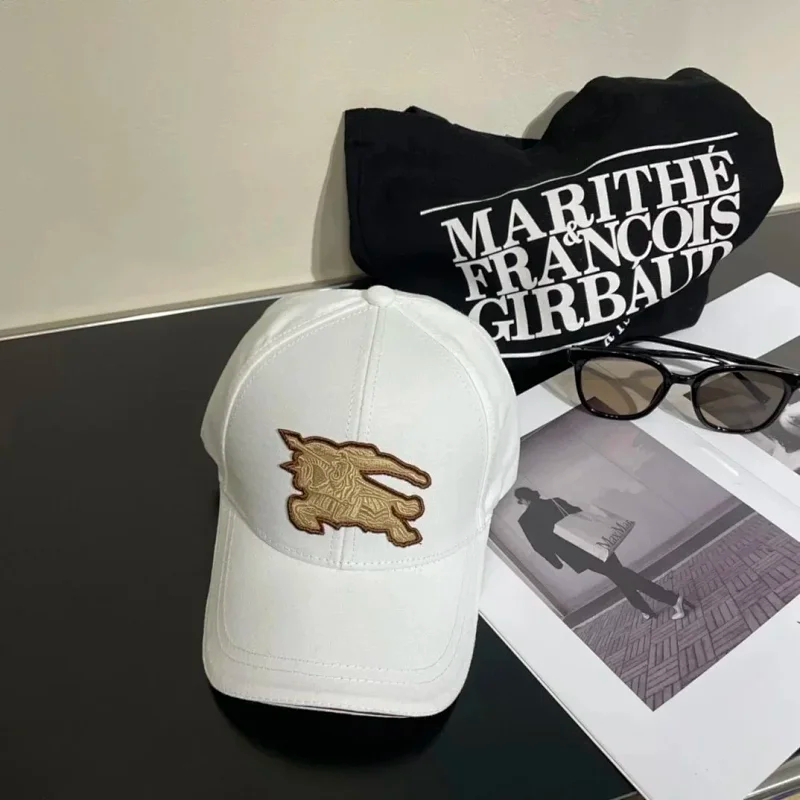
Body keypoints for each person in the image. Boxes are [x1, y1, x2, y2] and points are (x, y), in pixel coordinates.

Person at [515, 487, 685, 620]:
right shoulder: (555, 502)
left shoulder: (526, 520)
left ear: (523, 500)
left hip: (578, 554)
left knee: (621, 575)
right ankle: (645, 608)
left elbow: (538, 545)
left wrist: (556, 562)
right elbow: (580, 515)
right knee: (619, 575)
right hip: (595, 543)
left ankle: (671, 599)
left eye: (519, 501)